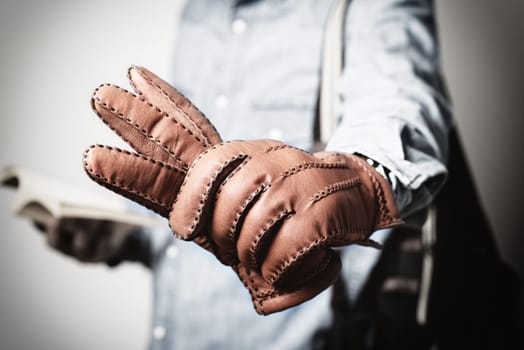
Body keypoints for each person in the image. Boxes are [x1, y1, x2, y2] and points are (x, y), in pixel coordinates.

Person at [41, 0, 451, 349]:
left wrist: (361, 183)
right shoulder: (197, 14)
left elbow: (397, 101)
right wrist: (129, 239)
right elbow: (201, 197)